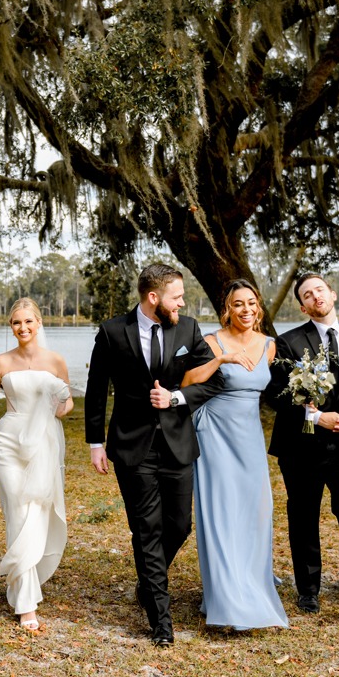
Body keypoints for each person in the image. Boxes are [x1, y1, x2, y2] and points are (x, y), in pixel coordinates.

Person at [85, 263, 223, 647]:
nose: (181, 303)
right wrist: (95, 443)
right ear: (153, 297)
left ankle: (148, 582)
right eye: (176, 296)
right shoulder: (113, 332)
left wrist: (177, 397)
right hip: (132, 446)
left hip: (178, 445)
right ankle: (161, 622)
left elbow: (216, 380)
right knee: (147, 530)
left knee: (179, 526)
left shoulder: (188, 329)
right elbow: (96, 390)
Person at [265, 273, 339, 623]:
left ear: (332, 294)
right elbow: (275, 394)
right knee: (303, 516)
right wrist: (318, 418)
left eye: (320, 289)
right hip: (301, 446)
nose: (316, 296)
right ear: (302, 306)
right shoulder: (287, 344)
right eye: (307, 294)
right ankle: (308, 590)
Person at [0, 298, 73, 631]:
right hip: (8, 441)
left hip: (42, 443)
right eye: (15, 323)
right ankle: (26, 603)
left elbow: (65, 408)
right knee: (18, 512)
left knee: (35, 511)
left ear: (39, 323)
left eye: (28, 322)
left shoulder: (55, 361)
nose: (22, 328)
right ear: (11, 326)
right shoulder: (2, 361)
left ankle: (23, 579)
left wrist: (55, 404)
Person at [182, 280, 288, 630]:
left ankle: (253, 584)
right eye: (238, 304)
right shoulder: (211, 342)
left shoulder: (270, 346)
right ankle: (224, 598)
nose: (246, 310)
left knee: (256, 510)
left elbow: (274, 392)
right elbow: (187, 381)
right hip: (214, 432)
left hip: (249, 437)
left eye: (251, 303)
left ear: (258, 308)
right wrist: (222, 359)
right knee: (221, 511)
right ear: (227, 308)